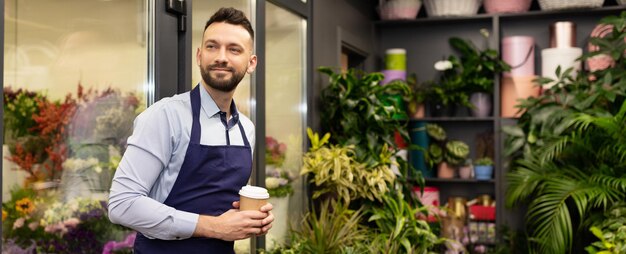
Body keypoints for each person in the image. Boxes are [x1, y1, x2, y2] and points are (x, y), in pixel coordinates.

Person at [107, 7, 273, 253]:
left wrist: (250, 218)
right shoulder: (165, 117)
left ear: (251, 63)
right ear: (198, 56)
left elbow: (218, 201)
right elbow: (122, 204)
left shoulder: (245, 129)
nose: (221, 57)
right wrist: (213, 226)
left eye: (234, 49)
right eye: (212, 46)